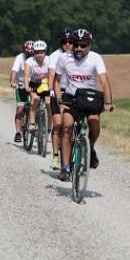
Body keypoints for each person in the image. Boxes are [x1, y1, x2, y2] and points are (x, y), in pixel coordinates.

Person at [53, 29, 114, 182]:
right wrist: (59, 98)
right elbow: (56, 80)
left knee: (94, 125)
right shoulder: (64, 58)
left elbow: (104, 81)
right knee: (66, 127)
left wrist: (108, 103)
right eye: (76, 45)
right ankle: (65, 167)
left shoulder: (95, 58)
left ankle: (90, 148)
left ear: (89, 45)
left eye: (83, 45)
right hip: (71, 97)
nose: (79, 48)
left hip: (89, 97)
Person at [47, 28, 74, 169]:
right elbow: (52, 75)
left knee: (70, 126)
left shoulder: (77, 55)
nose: (67, 44)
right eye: (64, 42)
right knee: (58, 125)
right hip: (59, 92)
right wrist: (51, 91)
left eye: (70, 42)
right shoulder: (55, 56)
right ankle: (56, 156)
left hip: (73, 93)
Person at [24, 40, 52, 134]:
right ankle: (32, 123)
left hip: (45, 83)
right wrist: (27, 86)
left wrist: (52, 88)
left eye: (42, 52)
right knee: (35, 99)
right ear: (34, 53)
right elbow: (26, 75)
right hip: (34, 83)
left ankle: (49, 127)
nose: (39, 54)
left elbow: (53, 74)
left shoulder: (50, 60)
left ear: (45, 52)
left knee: (48, 103)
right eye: (37, 52)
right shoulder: (29, 61)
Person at [10, 40, 35, 142]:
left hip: (33, 86)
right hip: (21, 86)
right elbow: (14, 71)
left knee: (36, 104)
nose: (29, 56)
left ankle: (37, 124)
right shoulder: (19, 58)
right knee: (20, 109)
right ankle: (18, 132)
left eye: (31, 54)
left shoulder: (37, 58)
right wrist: (13, 82)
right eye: (27, 53)